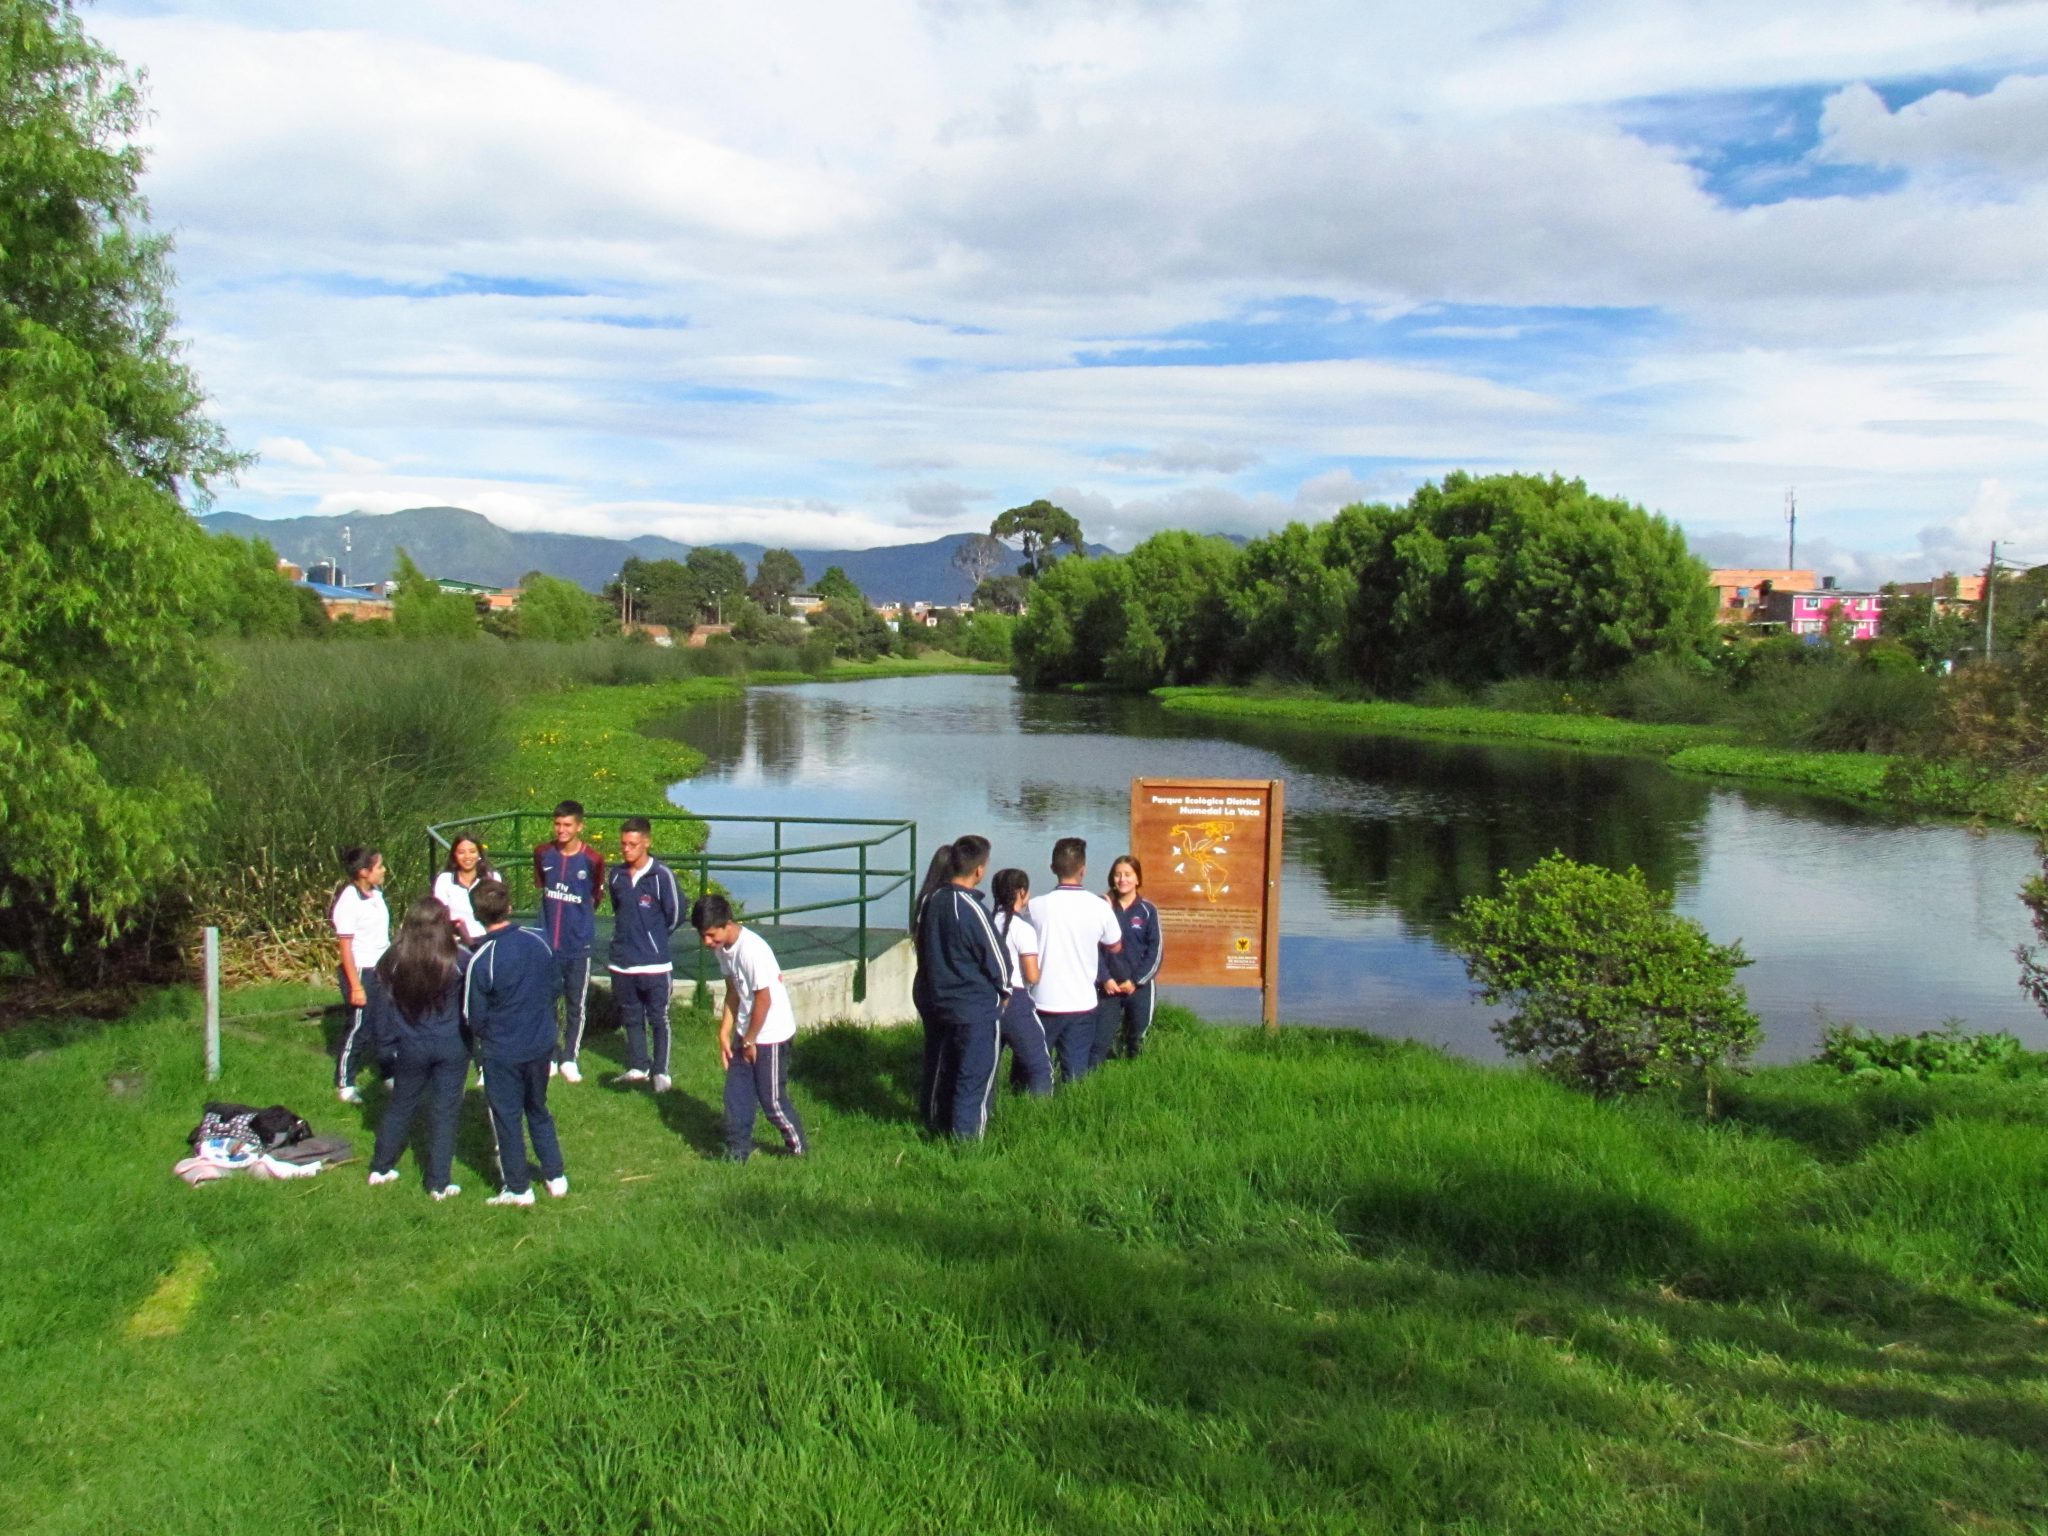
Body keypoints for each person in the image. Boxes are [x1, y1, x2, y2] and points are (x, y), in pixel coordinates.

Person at [464, 880, 570, 1206]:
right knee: (538, 1109)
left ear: (476, 915)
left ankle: (518, 1188)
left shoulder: (482, 959)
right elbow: (556, 986)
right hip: (540, 1045)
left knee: (507, 1118)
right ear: (509, 907)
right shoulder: (538, 941)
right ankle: (555, 1176)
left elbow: (473, 1017)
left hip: (503, 1052)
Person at [364, 897, 472, 1199]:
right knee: (445, 1112)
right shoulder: (458, 959)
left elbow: (382, 995)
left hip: (410, 1044)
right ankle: (438, 1183)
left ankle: (380, 1167)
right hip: (452, 1044)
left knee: (401, 1104)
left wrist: (389, 1040)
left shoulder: (394, 957)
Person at [693, 893, 807, 1162]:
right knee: (737, 1095)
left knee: (772, 1101)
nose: (707, 942)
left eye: (711, 935)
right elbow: (733, 990)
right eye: (703, 936)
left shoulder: (752, 950)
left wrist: (750, 1040)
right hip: (748, 1031)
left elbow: (764, 1000)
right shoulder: (723, 950)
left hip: (771, 1033)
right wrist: (725, 1032)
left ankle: (799, 1150)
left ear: (726, 924)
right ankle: (737, 1151)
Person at [911, 835, 1008, 1139]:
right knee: (974, 1078)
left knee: (946, 1070)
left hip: (940, 1004)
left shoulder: (930, 901)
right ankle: (966, 1145)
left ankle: (938, 1127)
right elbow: (998, 959)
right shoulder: (972, 908)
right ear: (979, 870)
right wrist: (1005, 991)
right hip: (975, 1008)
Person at [1026, 837, 1123, 1084]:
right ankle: (1072, 1106)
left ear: (1052, 868)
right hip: (1082, 1002)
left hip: (1042, 1000)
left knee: (1038, 1066)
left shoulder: (1035, 907)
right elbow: (1115, 945)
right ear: (1084, 869)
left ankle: (1034, 1110)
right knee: (1076, 1068)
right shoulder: (1099, 907)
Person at [606, 816, 683, 1090]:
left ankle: (661, 1071)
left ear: (646, 843)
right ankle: (639, 1066)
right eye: (623, 844)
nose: (626, 849)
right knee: (631, 1016)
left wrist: (654, 940)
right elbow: (618, 908)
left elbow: (675, 915)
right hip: (623, 964)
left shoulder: (662, 876)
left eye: (633, 844)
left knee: (659, 1018)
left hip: (654, 964)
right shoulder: (615, 875)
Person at [533, 799, 605, 1083]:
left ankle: (570, 1057)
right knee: (546, 1001)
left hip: (578, 945)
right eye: (557, 824)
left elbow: (594, 898)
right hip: (548, 943)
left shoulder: (593, 860)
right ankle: (549, 1054)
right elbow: (543, 886)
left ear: (579, 827)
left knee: (576, 1003)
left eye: (567, 825)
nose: (561, 830)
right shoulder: (543, 853)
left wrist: (579, 926)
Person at [331, 844, 392, 1104]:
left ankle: (389, 1072)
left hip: (382, 969)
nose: (384, 870)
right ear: (364, 872)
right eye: (379, 867)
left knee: (386, 1024)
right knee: (360, 1027)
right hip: (360, 970)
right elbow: (345, 948)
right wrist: (356, 986)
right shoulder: (349, 900)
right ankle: (345, 1081)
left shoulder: (376, 894)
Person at [1093, 854, 1163, 1065]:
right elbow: (1090, 948)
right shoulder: (1101, 907)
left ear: (1137, 879)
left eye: (1127, 875)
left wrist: (1136, 981)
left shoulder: (1148, 910)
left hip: (1138, 986)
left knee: (1137, 1039)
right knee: (1101, 1041)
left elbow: (1155, 950)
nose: (1122, 879)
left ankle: (1134, 1076)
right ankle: (1097, 1081)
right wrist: (1105, 978)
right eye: (1117, 875)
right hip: (1109, 987)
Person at [990, 868, 1054, 1099]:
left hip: (987, 999)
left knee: (988, 1066)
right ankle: (1040, 1112)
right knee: (1039, 1065)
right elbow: (1032, 975)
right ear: (1021, 892)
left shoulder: (986, 922)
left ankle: (987, 1109)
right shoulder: (1023, 929)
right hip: (1016, 1001)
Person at [432, 834, 502, 945]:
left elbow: (499, 913)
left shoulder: (493, 878)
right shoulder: (444, 880)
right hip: (456, 942)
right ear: (455, 855)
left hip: (488, 940)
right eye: (461, 852)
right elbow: (439, 915)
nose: (467, 856)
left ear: (479, 853)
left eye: (472, 851)